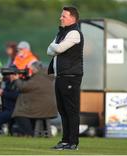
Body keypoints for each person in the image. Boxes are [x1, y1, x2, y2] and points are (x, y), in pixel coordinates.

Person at [47, 6, 84, 150]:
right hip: (60, 77)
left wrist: (54, 45)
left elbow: (58, 49)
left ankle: (73, 142)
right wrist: (54, 46)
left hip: (71, 77)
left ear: (72, 18)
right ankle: (65, 140)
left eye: (64, 16)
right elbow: (49, 51)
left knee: (71, 110)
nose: (60, 18)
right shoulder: (62, 33)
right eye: (61, 15)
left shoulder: (74, 33)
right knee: (62, 110)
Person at [11, 62, 58, 136]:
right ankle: (30, 131)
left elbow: (23, 87)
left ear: (35, 70)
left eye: (31, 69)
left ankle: (29, 132)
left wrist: (16, 79)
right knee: (23, 111)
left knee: (19, 113)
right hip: (49, 108)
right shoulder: (47, 76)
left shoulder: (38, 78)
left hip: (40, 109)